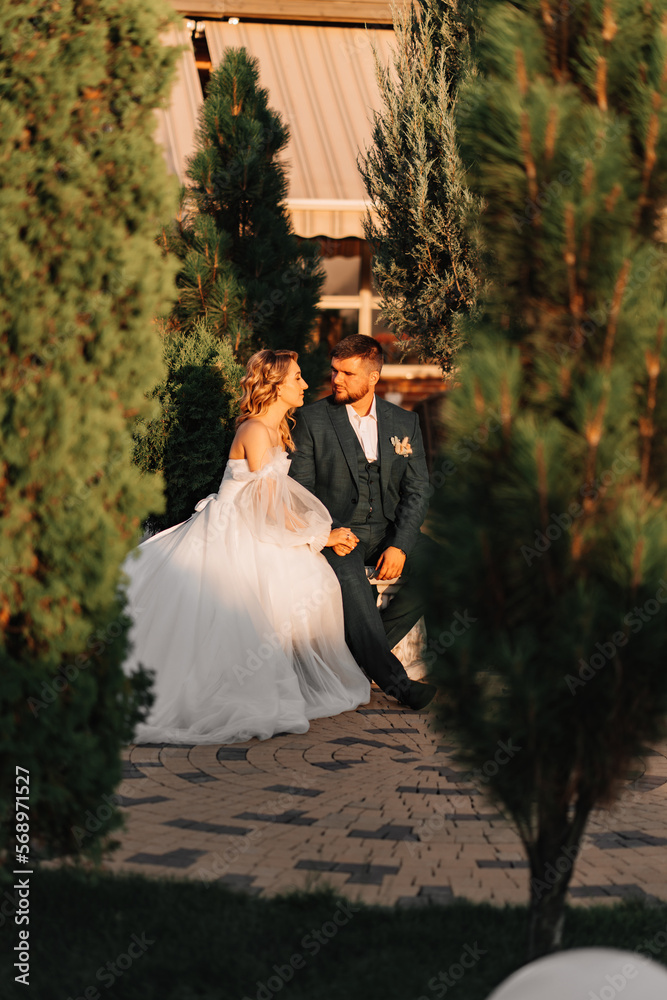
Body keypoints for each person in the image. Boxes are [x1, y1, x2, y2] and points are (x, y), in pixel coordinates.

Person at [121, 349, 370, 745]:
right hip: (232, 531)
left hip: (254, 524)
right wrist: (321, 537)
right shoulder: (254, 431)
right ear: (274, 386)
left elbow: (276, 503)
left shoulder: (276, 429)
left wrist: (317, 535)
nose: (305, 384)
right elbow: (267, 506)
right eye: (297, 378)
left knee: (308, 583)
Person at [288, 334, 437, 710]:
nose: (336, 379)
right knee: (351, 579)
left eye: (347, 373)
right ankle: (397, 684)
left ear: (372, 377)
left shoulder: (405, 422)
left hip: (387, 529)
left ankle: (357, 658)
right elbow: (301, 490)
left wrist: (401, 544)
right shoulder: (312, 419)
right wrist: (330, 532)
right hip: (338, 531)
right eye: (334, 370)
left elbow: (418, 490)